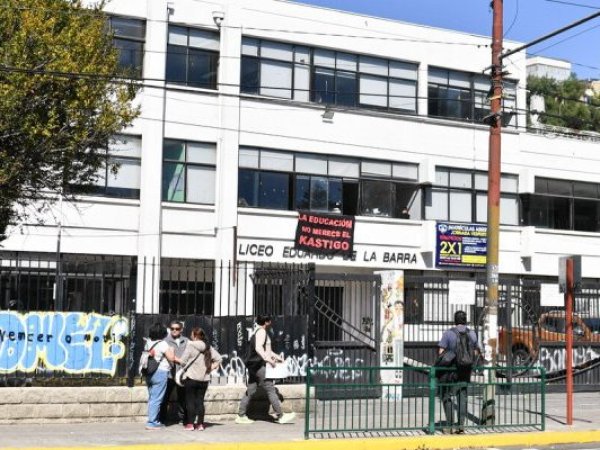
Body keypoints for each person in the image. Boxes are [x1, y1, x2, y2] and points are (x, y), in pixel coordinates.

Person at [236, 315, 296, 425]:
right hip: (259, 366)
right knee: (270, 388)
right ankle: (281, 416)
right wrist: (268, 359)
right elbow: (259, 348)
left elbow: (267, 350)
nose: (271, 322)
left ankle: (241, 415)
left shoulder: (258, 331)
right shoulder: (262, 332)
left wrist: (277, 357)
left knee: (251, 390)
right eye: (269, 320)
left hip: (254, 366)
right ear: (267, 322)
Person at [437, 310, 481, 434]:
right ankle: (460, 426)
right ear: (465, 320)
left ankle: (450, 425)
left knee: (446, 395)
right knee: (462, 396)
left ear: (455, 320)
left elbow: (441, 352)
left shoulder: (448, 333)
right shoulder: (472, 334)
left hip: (450, 371)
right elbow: (476, 351)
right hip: (465, 370)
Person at [178, 327, 222, 431]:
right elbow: (219, 358)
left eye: (191, 334)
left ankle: (190, 424)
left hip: (191, 377)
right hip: (204, 379)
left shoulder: (190, 345)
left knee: (190, 401)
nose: (190, 335)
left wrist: (176, 359)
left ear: (195, 335)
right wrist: (210, 368)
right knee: (200, 402)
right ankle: (200, 424)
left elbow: (183, 361)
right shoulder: (208, 347)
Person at [144, 323, 181, 431]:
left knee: (152, 397)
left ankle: (152, 420)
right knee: (157, 398)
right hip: (160, 372)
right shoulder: (163, 343)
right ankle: (152, 423)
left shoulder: (148, 343)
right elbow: (171, 358)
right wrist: (172, 350)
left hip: (149, 372)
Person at [160, 320, 189, 425]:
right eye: (172, 328)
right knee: (165, 397)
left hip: (182, 374)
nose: (174, 330)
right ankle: (162, 419)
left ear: (181, 330)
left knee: (183, 398)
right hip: (169, 374)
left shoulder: (186, 341)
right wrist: (179, 360)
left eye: (177, 329)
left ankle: (183, 419)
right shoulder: (165, 341)